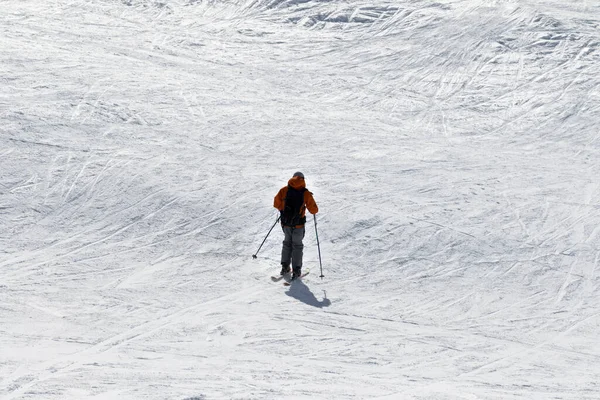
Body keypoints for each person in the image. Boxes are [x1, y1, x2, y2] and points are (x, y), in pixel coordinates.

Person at [273, 171, 318, 280]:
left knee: (287, 243)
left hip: (286, 224)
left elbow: (276, 203)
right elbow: (314, 210)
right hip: (298, 225)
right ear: (303, 180)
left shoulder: (284, 190)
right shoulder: (305, 193)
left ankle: (285, 267)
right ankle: (296, 270)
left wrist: (283, 211)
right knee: (297, 246)